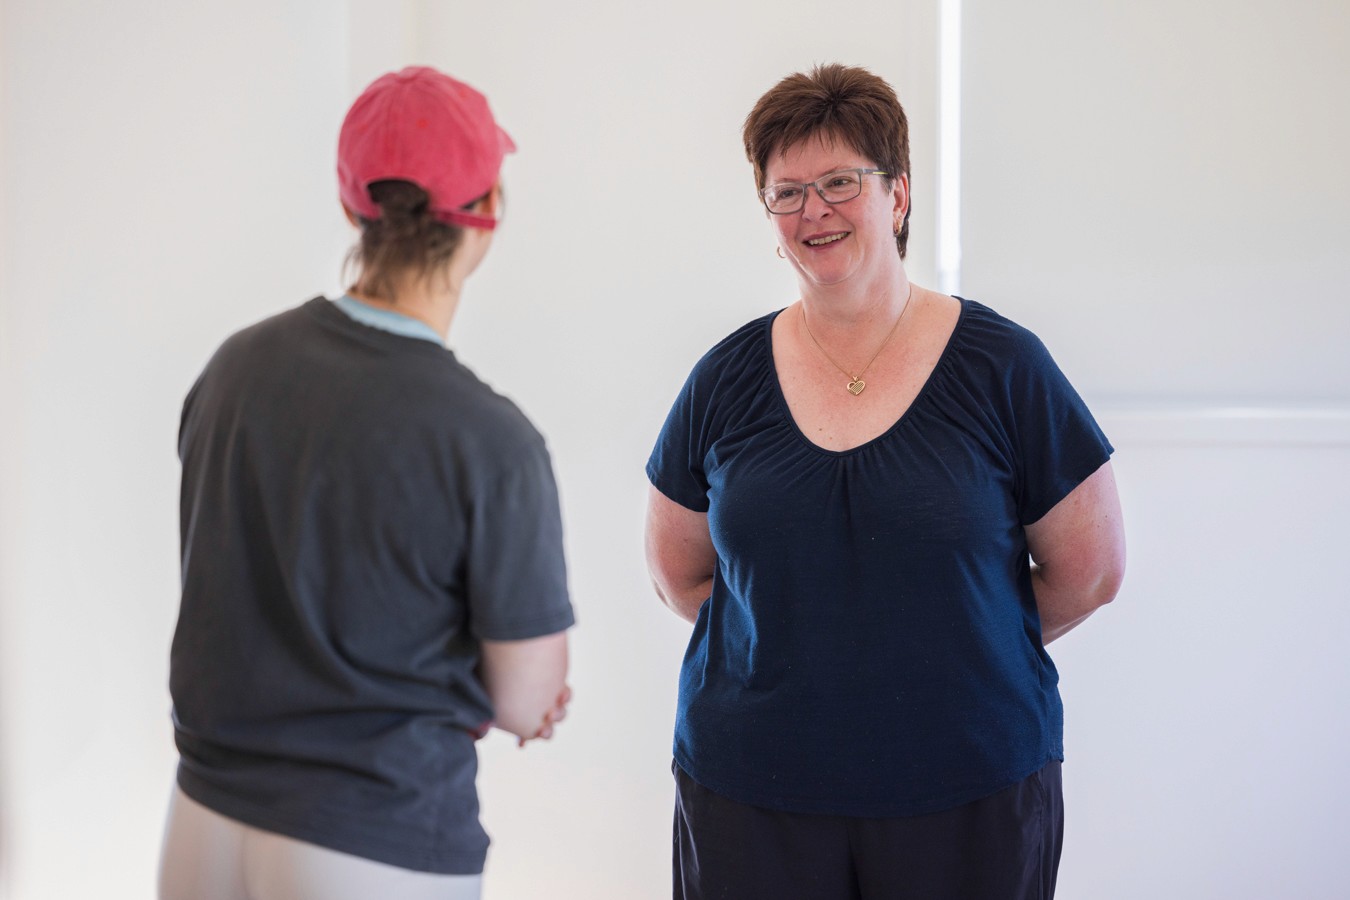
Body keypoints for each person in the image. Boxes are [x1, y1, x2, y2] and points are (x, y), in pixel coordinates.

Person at [645, 63, 1125, 900]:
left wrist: (954, 643)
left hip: (970, 791)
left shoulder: (1005, 367)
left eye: (839, 182)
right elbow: (677, 571)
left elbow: (1092, 572)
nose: (813, 212)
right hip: (752, 798)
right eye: (786, 192)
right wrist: (809, 650)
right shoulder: (724, 379)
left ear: (898, 195)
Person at [159, 66, 575, 900]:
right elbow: (526, 698)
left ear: (355, 206)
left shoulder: (235, 367)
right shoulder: (492, 440)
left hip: (201, 821)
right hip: (374, 843)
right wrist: (526, 700)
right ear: (488, 209)